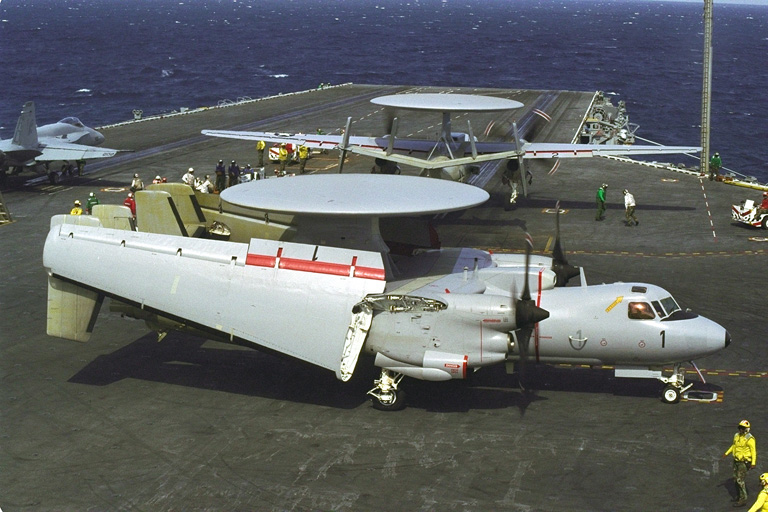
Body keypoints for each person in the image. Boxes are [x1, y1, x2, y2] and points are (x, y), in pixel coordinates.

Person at [723, 419, 757, 507]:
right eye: (740, 427)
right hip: (736, 461)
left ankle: (743, 499)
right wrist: (727, 453)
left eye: (742, 428)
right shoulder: (736, 436)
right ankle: (738, 496)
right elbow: (734, 445)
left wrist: (753, 463)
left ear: (747, 429)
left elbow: (753, 451)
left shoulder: (750, 439)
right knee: (735, 479)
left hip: (743, 462)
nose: (740, 429)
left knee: (740, 480)